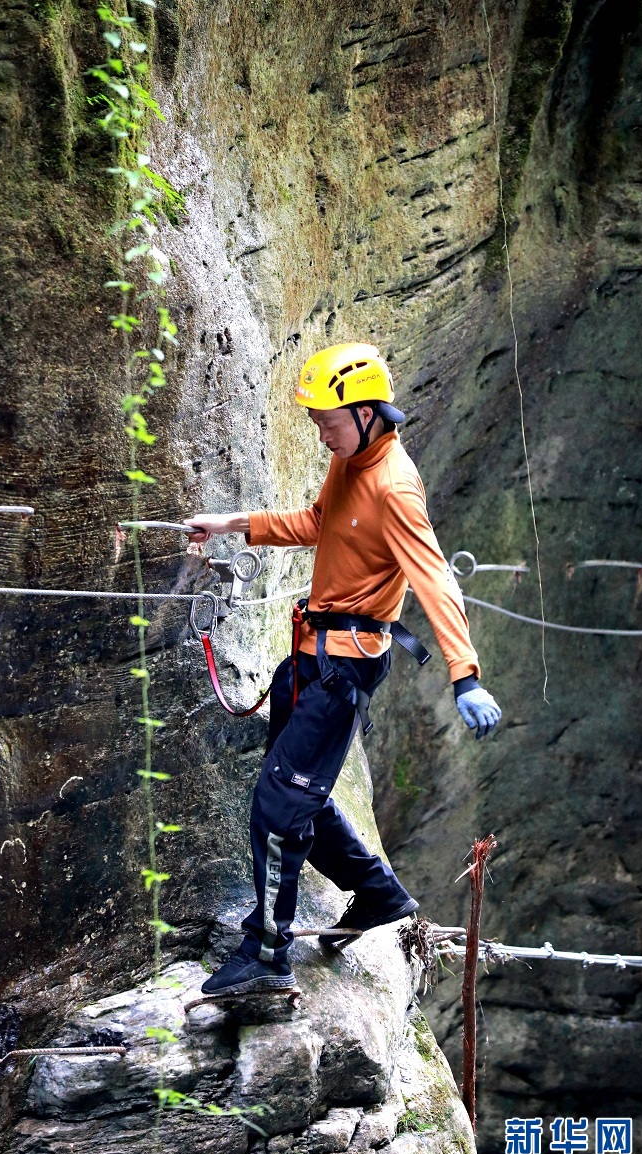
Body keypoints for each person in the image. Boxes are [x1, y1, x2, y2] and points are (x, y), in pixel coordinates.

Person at [184, 342, 501, 997]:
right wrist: (233, 525)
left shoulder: (394, 484)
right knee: (299, 795)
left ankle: (267, 957)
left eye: (328, 418)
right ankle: (379, 894)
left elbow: (436, 580)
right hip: (312, 657)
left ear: (364, 412)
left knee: (278, 802)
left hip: (343, 672)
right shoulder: (350, 461)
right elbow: (317, 523)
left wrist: (464, 675)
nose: (320, 430)